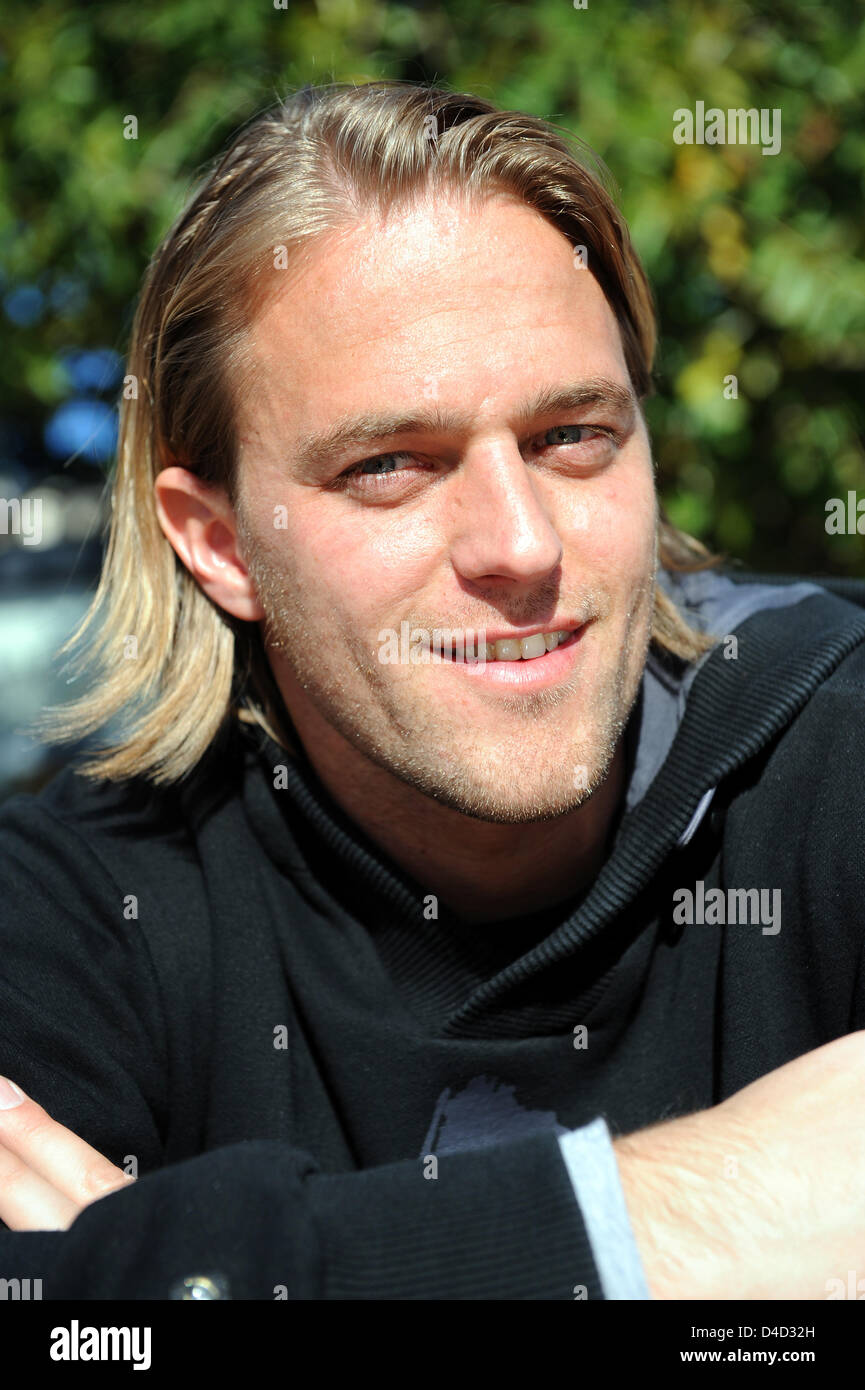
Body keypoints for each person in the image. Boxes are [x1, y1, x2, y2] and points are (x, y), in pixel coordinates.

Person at [1, 79, 864, 1302]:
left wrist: (191, 1268)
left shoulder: (833, 754)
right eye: (391, 465)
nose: (518, 544)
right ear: (221, 543)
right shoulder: (76, 915)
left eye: (573, 435)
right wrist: (700, 1218)